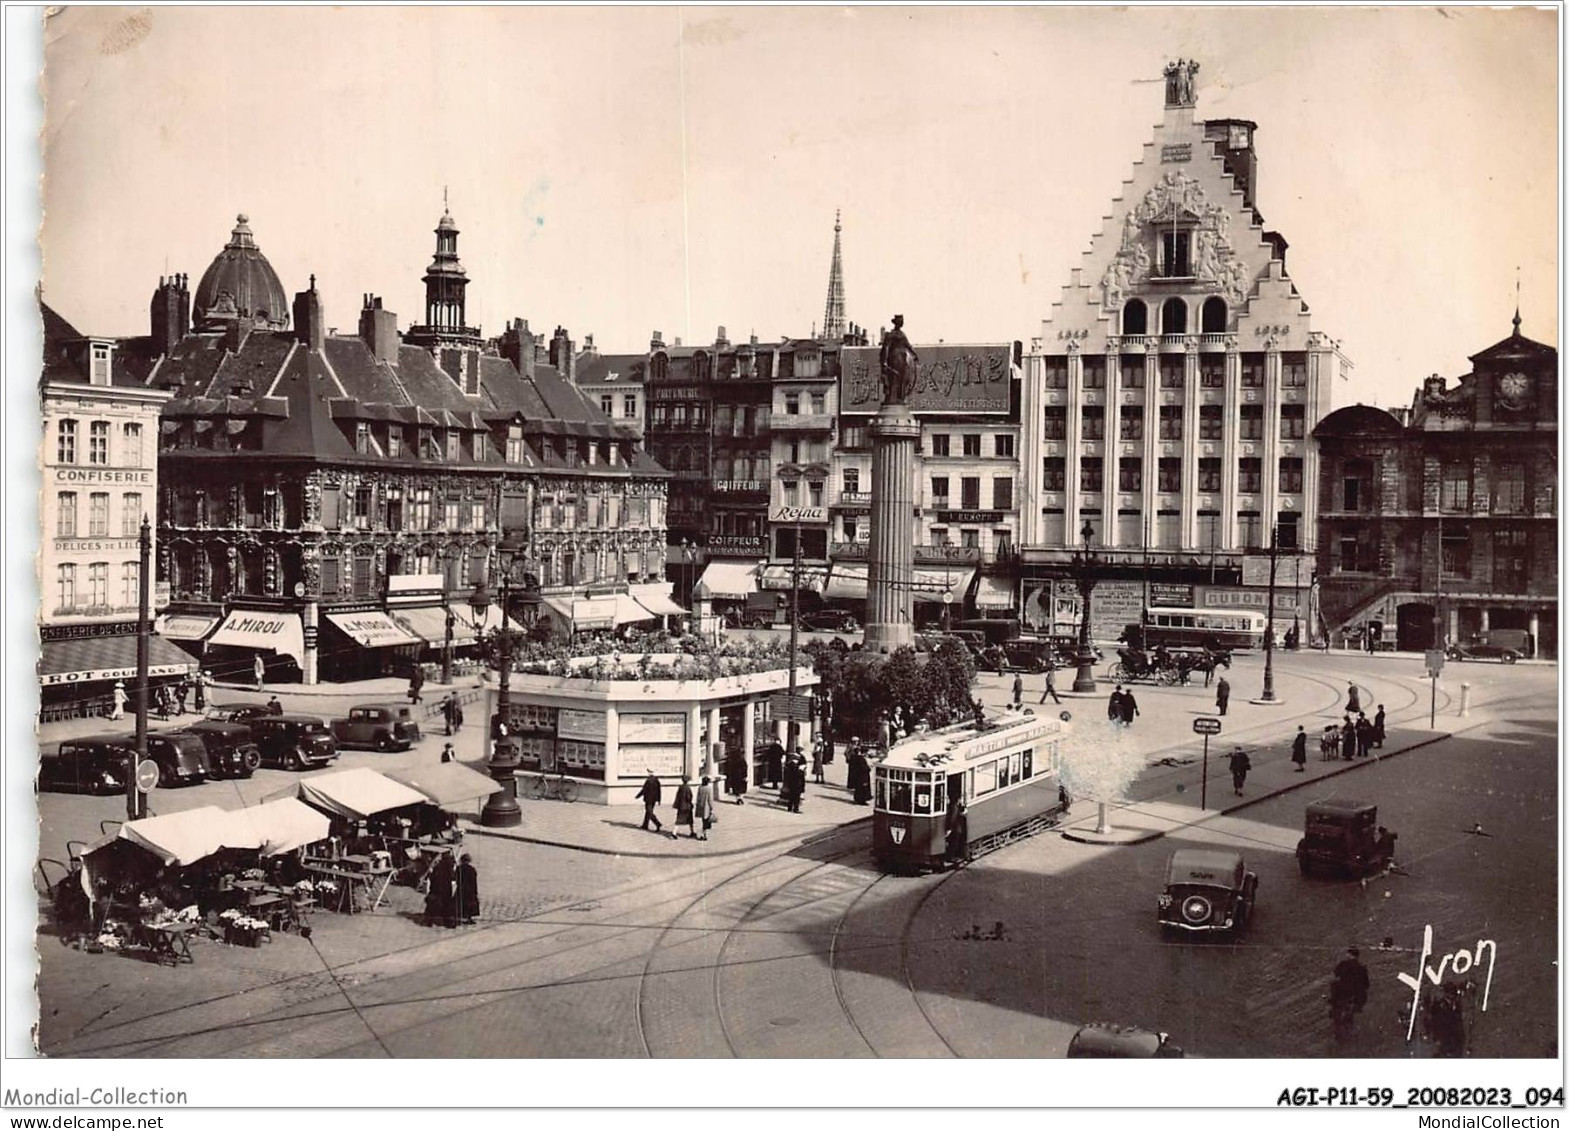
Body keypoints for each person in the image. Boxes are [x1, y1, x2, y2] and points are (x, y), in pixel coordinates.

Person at [1331, 947, 1370, 1013]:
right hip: (1357, 991)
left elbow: (1336, 974)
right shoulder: (1362, 966)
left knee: (1334, 985)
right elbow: (1366, 983)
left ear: (1349, 954)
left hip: (1344, 989)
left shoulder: (1343, 964)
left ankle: (1334, 1004)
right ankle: (1359, 1006)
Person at [425, 851, 455, 928]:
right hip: (446, 888)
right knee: (446, 905)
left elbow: (432, 877)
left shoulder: (437, 866)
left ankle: (429, 921)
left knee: (434, 904)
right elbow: (453, 877)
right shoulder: (449, 866)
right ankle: (447, 922)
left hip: (436, 887)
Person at [455, 853, 480, 925]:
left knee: (460, 903)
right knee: (470, 904)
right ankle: (469, 918)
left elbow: (456, 878)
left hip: (462, 888)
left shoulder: (459, 868)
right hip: (470, 889)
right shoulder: (472, 869)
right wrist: (475, 891)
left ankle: (459, 917)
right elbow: (474, 881)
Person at [945, 796, 969, 866]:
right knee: (954, 842)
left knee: (954, 842)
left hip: (956, 828)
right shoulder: (955, 807)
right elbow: (954, 817)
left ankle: (952, 856)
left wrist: (949, 828)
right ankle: (952, 857)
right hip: (956, 828)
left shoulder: (955, 807)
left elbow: (954, 817)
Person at [694, 776, 714, 841]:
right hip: (707, 807)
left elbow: (698, 797)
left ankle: (704, 834)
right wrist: (712, 808)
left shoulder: (700, 787)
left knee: (703, 821)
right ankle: (704, 835)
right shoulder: (709, 788)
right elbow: (710, 799)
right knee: (706, 822)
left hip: (701, 806)